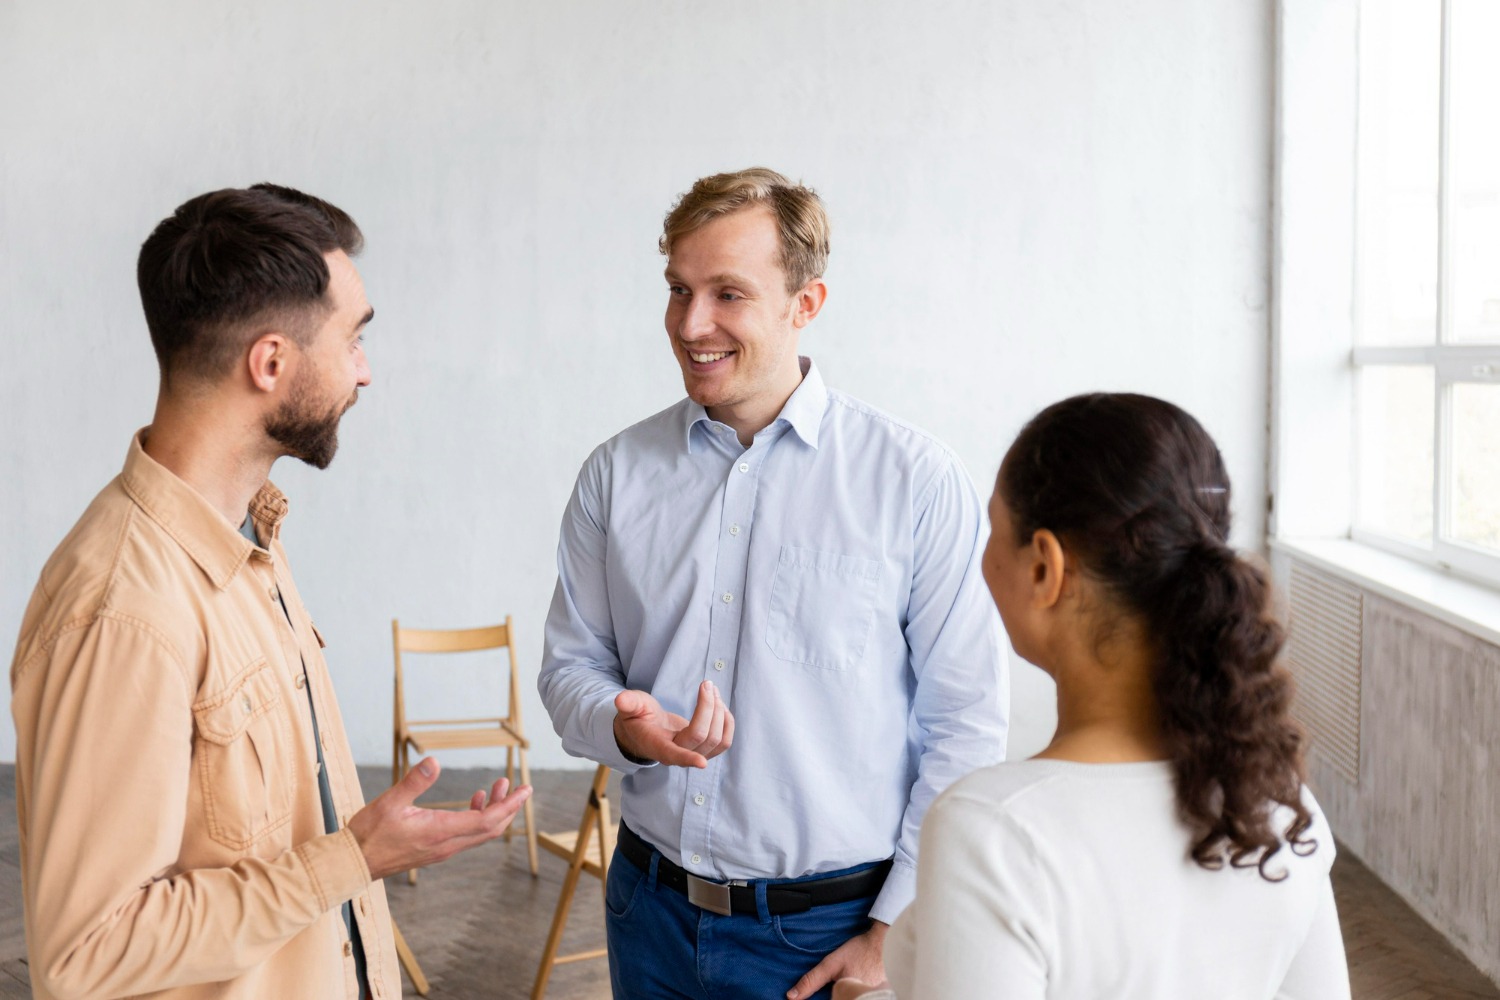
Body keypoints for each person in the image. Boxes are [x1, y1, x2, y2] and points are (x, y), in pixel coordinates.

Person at [9, 184, 531, 1000]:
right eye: (353, 339)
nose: (365, 371)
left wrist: (362, 849)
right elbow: (90, 955)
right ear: (272, 362)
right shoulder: (121, 610)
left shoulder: (253, 539)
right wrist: (355, 858)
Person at [537, 167, 1009, 1000]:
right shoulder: (615, 476)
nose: (691, 324)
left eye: (728, 294)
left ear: (807, 302)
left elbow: (965, 727)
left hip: (829, 937)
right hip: (648, 911)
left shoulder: (914, 483)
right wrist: (627, 726)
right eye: (678, 290)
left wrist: (891, 932)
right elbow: (570, 669)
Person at [836, 393, 1351, 1000]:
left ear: (1044, 568)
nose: (982, 560)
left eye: (994, 531)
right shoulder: (1281, 809)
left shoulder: (992, 830)